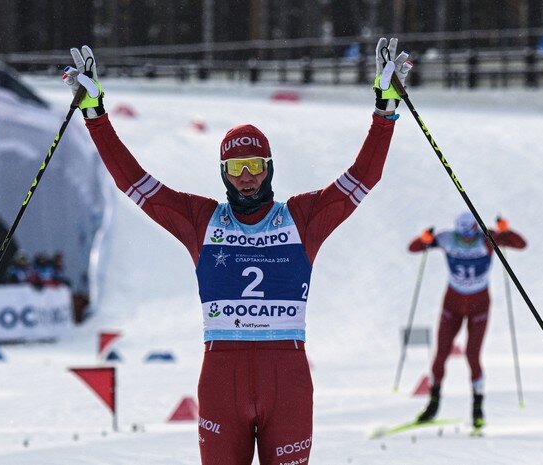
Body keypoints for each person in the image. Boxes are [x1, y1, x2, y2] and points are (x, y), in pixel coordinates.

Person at [62, 38, 412, 465]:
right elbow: (132, 181)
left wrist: (385, 110)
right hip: (221, 379)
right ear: (223, 174)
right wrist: (95, 114)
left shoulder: (301, 218)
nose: (246, 178)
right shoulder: (201, 220)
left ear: (269, 168)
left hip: (287, 378)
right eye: (235, 169)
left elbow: (363, 177)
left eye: (255, 167)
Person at [407, 212, 526, 430]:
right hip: (452, 305)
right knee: (440, 354)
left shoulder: (486, 237)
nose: (466, 241)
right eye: (462, 236)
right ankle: (433, 404)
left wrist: (504, 231)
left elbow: (520, 244)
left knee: (472, 355)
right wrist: (425, 238)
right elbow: (413, 248)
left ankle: (477, 408)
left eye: (469, 236)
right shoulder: (446, 238)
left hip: (479, 306)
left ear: (475, 230)